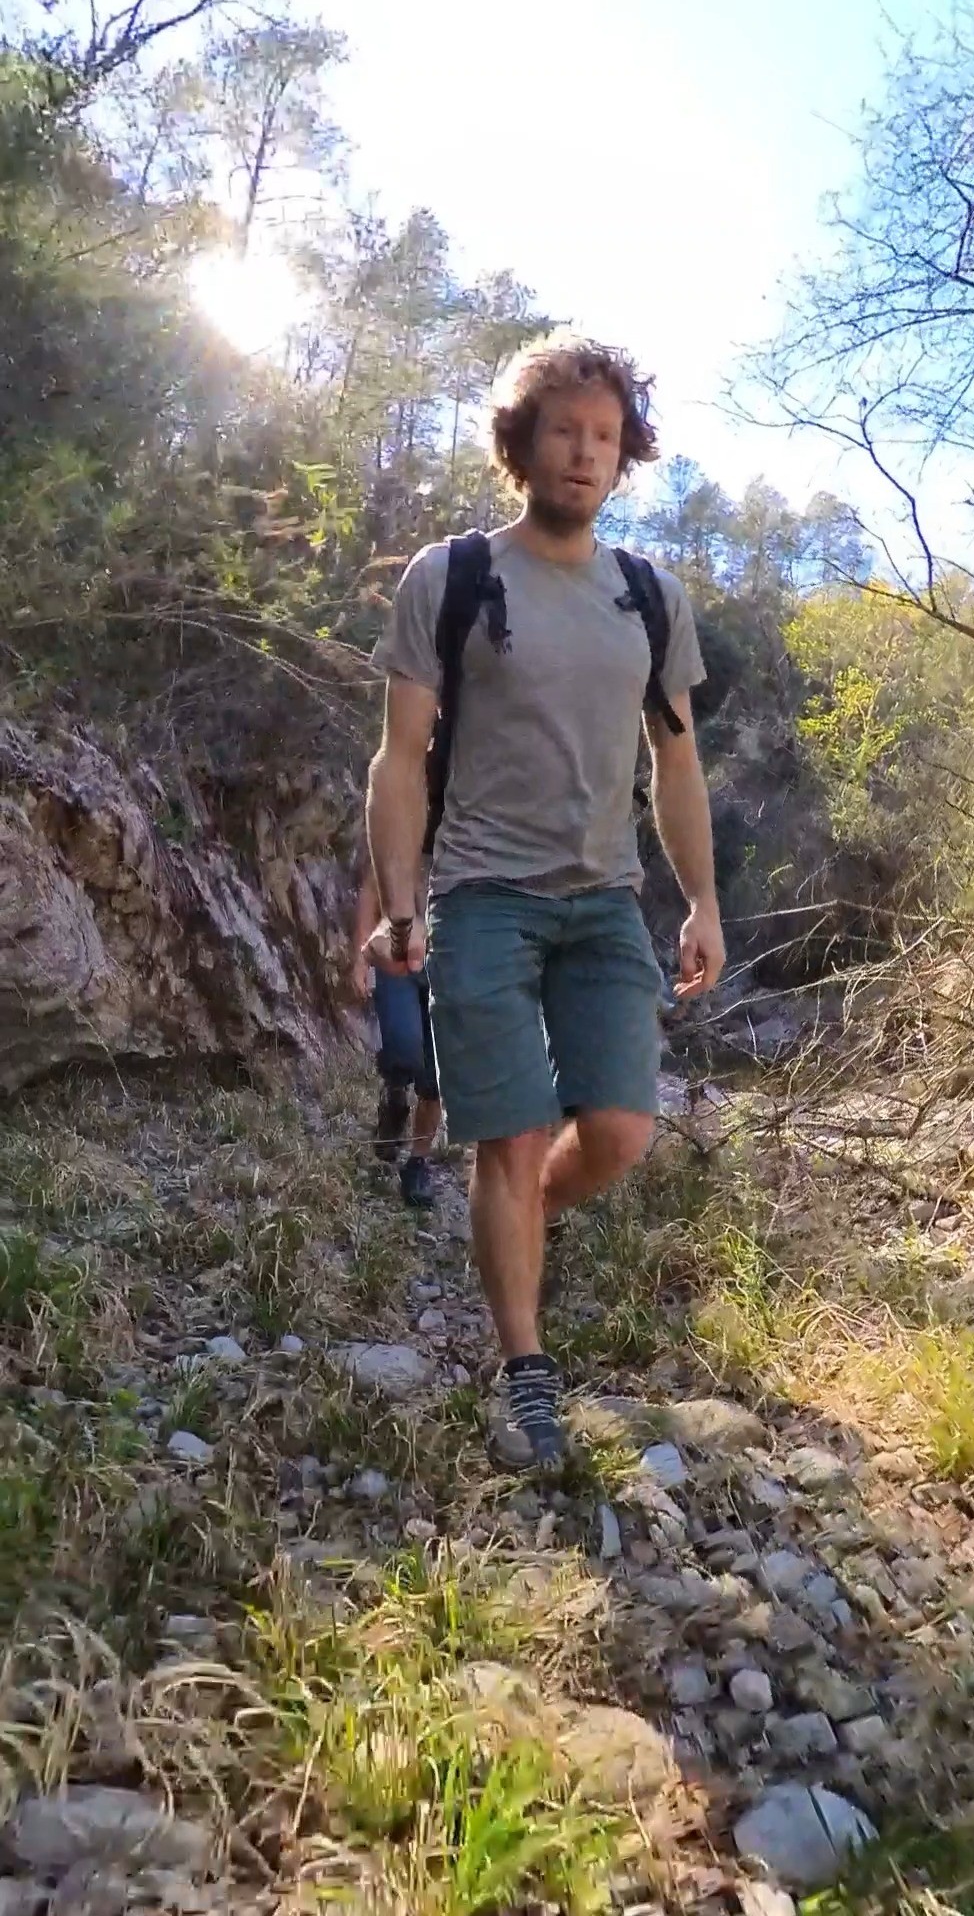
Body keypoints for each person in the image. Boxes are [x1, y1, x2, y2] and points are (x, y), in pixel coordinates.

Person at [364, 333, 725, 1469]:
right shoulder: (454, 576)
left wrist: (703, 901)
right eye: (564, 429)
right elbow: (400, 760)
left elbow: (675, 766)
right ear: (522, 442)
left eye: (605, 436)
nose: (584, 453)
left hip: (605, 904)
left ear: (626, 458)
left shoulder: (648, 596)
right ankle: (525, 1368)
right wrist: (402, 899)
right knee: (510, 1136)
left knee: (619, 1131)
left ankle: (508, 1225)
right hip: (481, 898)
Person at [352, 860, 440, 1209]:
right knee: (403, 1048)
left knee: (435, 1080)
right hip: (398, 952)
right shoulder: (412, 817)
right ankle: (394, 1098)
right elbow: (372, 889)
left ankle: (418, 1162)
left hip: (446, 964)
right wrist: (360, 959)